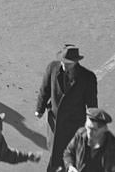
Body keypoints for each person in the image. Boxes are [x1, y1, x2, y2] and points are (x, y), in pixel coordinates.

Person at [35, 44, 98, 172]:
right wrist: (39, 109)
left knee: (66, 156)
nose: (65, 65)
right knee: (56, 154)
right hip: (55, 124)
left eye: (68, 63)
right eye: (63, 62)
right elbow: (45, 90)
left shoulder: (88, 78)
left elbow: (92, 104)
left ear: (76, 62)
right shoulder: (52, 68)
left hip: (73, 126)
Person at [62, 108, 115, 172]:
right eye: (88, 127)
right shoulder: (80, 136)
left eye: (94, 130)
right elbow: (68, 152)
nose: (89, 132)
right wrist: (70, 166)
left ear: (104, 129)